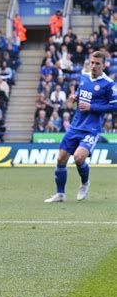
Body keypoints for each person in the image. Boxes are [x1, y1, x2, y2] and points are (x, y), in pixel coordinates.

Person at [45, 51, 117, 203]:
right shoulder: (83, 77)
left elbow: (115, 105)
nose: (94, 66)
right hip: (75, 126)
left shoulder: (109, 84)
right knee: (60, 159)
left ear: (103, 65)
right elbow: (82, 94)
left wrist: (93, 107)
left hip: (91, 129)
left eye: (97, 63)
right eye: (92, 62)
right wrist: (75, 97)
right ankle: (60, 194)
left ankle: (84, 183)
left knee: (78, 157)